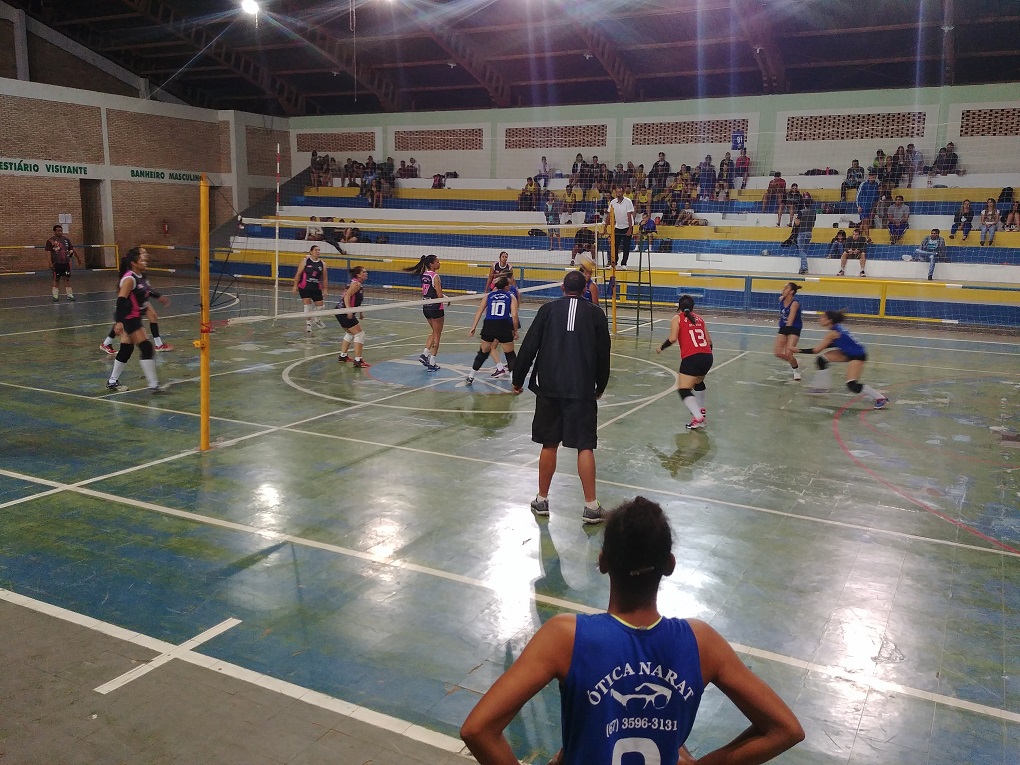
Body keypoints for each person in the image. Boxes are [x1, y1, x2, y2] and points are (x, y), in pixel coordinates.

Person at [461, 495, 805, 765]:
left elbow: (478, 730)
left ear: (602, 562)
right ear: (670, 565)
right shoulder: (702, 643)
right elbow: (785, 730)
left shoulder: (565, 637)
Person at [511, 270, 611, 524]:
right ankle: (591, 506)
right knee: (584, 445)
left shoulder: (547, 310)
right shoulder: (596, 314)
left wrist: (517, 379)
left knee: (549, 443)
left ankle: (542, 500)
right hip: (582, 389)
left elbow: (529, 346)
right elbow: (604, 353)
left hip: (550, 387)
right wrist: (601, 385)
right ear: (585, 289)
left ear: (562, 288)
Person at [105, 247, 166, 394]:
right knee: (146, 348)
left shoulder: (141, 276)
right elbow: (121, 301)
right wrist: (119, 322)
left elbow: (147, 290)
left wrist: (159, 297)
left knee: (126, 348)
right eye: (142, 259)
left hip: (134, 316)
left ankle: (112, 381)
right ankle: (153, 385)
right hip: (129, 318)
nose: (145, 261)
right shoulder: (129, 279)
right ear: (134, 263)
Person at [798, 311, 889, 408]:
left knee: (852, 385)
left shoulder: (833, 333)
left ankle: (880, 398)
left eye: (823, 317)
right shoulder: (838, 328)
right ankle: (821, 388)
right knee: (821, 360)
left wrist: (796, 350)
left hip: (857, 356)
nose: (820, 319)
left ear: (829, 320)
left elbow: (816, 350)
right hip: (847, 353)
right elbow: (837, 343)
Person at [100, 247, 172, 354]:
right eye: (143, 253)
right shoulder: (130, 275)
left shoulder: (141, 272)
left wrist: (158, 296)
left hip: (141, 300)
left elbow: (147, 288)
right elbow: (123, 295)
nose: (146, 255)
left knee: (153, 316)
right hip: (132, 303)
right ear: (135, 259)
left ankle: (158, 344)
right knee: (124, 325)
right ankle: (107, 343)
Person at [656, 294, 713, 430]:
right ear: (692, 307)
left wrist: (661, 347)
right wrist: (705, 356)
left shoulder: (677, 319)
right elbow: (709, 341)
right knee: (698, 382)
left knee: (683, 390)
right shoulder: (700, 319)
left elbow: (673, 338)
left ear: (679, 307)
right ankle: (700, 409)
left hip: (692, 357)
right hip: (707, 356)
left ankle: (698, 417)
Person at [466, 277, 519, 385]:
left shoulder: (488, 296)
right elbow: (514, 315)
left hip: (489, 324)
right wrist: (515, 330)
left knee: (483, 352)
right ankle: (514, 380)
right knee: (510, 354)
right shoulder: (510, 296)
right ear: (506, 287)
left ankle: (471, 376)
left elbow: (479, 311)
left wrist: (473, 327)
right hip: (503, 324)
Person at [405, 254, 444, 371]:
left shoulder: (424, 275)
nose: (439, 263)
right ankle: (432, 362)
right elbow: (439, 295)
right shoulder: (435, 276)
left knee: (434, 332)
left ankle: (425, 354)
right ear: (431, 264)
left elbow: (431, 291)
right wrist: (446, 299)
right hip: (436, 308)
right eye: (437, 262)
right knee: (437, 335)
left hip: (426, 307)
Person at [336, 266, 370, 367]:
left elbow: (355, 300)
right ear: (358, 275)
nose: (366, 273)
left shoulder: (356, 283)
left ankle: (343, 356)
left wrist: (360, 312)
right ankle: (358, 360)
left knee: (350, 333)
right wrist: (348, 310)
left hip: (340, 311)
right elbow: (347, 296)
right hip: (344, 312)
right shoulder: (356, 284)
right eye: (364, 272)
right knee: (360, 334)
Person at [291, 245, 328, 333]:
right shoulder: (305, 261)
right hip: (305, 286)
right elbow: (298, 274)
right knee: (307, 306)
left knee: (320, 306)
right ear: (311, 252)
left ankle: (317, 319)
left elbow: (325, 278)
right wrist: (295, 286)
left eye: (319, 250)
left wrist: (325, 289)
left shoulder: (322, 263)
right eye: (316, 250)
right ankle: (308, 325)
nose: (318, 251)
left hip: (316, 287)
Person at [45, 224, 82, 301]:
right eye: (58, 231)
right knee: (56, 279)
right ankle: (55, 296)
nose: (60, 232)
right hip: (56, 263)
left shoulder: (66, 240)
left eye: (61, 231)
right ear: (54, 231)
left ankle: (69, 295)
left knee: (67, 278)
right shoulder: (50, 241)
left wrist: (78, 258)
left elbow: (72, 249)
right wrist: (50, 263)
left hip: (66, 263)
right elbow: (48, 252)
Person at [774, 283, 803, 380]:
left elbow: (790, 320)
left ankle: (796, 371)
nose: (783, 289)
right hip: (783, 327)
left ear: (791, 292)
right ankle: (794, 361)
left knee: (788, 353)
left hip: (794, 327)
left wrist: (786, 334)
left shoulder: (794, 304)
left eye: (786, 288)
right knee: (778, 353)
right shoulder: (781, 299)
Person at [604, 186, 635, 268]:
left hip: (627, 226)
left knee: (626, 246)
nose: (618, 194)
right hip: (618, 226)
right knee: (614, 246)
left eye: (620, 192)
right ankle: (614, 263)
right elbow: (609, 216)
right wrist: (605, 228)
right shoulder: (613, 202)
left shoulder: (628, 201)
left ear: (623, 192)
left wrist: (630, 229)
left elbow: (629, 216)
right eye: (617, 192)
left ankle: (624, 263)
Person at [855, 169, 880, 238]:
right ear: (869, 176)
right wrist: (858, 206)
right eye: (872, 176)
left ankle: (856, 237)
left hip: (871, 207)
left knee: (864, 223)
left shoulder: (876, 185)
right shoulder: (863, 184)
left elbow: (876, 196)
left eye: (874, 177)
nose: (873, 178)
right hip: (863, 207)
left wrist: (875, 206)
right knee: (865, 221)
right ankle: (868, 237)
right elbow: (858, 196)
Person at [794, 196, 815, 275]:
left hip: (802, 232)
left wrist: (795, 218)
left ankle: (804, 268)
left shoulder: (801, 212)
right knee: (804, 251)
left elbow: (797, 223)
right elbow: (813, 224)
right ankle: (802, 268)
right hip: (809, 232)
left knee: (802, 251)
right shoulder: (813, 213)